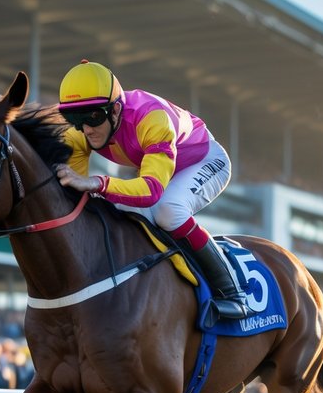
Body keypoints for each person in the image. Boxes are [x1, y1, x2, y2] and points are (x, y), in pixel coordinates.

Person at [53, 59, 250, 321]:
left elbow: (152, 190)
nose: (86, 128)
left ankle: (232, 292)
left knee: (169, 211)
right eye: (75, 118)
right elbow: (77, 198)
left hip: (204, 159)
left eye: (93, 116)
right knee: (114, 209)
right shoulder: (80, 134)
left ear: (115, 110)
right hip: (159, 166)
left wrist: (98, 183)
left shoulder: (151, 118)